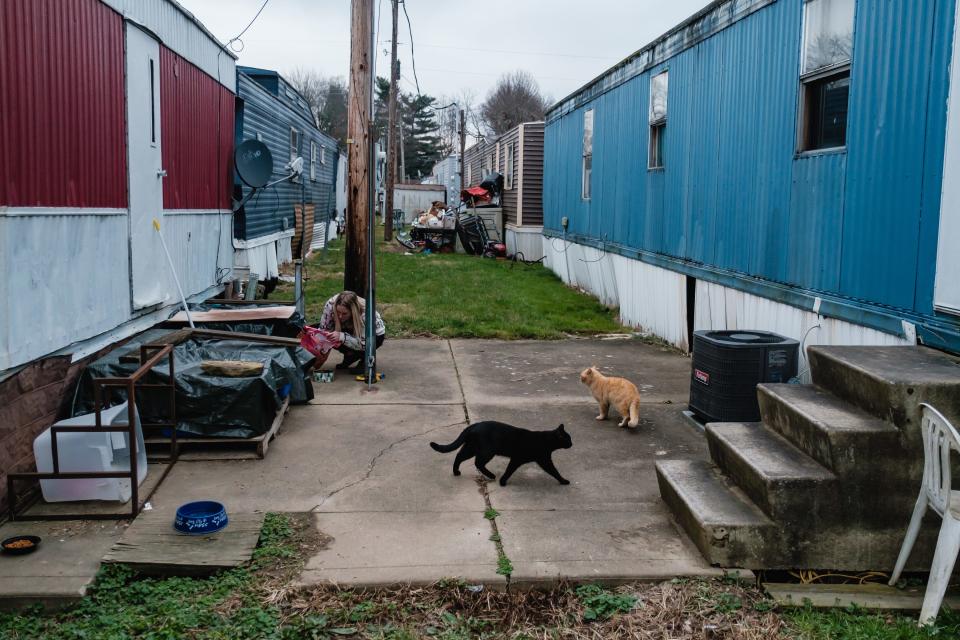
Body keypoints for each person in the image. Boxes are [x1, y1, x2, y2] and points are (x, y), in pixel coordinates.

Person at [313, 291, 385, 373]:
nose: (340, 316)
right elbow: (323, 330)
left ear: (353, 311)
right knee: (328, 335)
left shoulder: (366, 314)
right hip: (348, 327)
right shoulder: (330, 304)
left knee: (344, 339)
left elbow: (364, 344)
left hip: (374, 336)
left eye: (344, 313)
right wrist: (321, 351)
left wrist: (342, 337)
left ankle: (363, 359)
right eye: (338, 312)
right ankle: (350, 355)